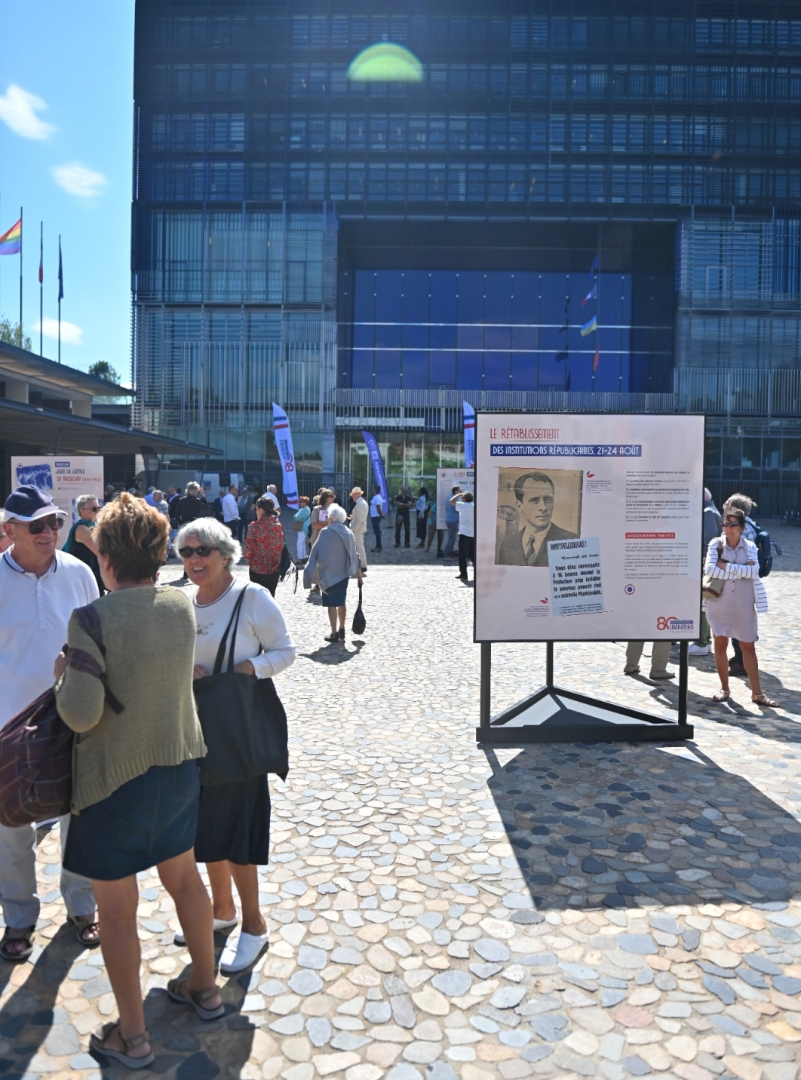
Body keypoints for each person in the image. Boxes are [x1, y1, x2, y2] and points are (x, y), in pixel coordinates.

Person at [55, 493, 221, 1067]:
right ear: (157, 551)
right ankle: (206, 986)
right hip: (176, 767)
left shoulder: (91, 619)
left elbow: (79, 714)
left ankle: (133, 1035)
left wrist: (64, 675)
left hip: (112, 782)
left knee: (118, 912)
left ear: (105, 557)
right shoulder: (180, 604)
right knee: (186, 882)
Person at [177, 517, 295, 974]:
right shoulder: (183, 602)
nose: (193, 560)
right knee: (207, 828)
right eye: (186, 552)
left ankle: (254, 924)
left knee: (240, 833)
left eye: (202, 550)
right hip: (197, 731)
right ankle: (222, 910)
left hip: (239, 731)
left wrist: (249, 669)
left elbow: (285, 651)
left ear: (225, 554)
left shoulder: (252, 597)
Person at [0, 486, 100, 961]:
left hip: (71, 719)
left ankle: (82, 908)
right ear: (9, 530)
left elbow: (99, 641)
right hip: (7, 727)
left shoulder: (80, 573)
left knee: (78, 821)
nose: (50, 532)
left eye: (55, 522)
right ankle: (18, 918)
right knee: (9, 830)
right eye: (36, 525)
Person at [705, 507, 775, 706]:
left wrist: (725, 566)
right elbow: (709, 569)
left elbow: (754, 571)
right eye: (726, 524)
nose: (728, 528)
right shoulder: (715, 544)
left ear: (742, 527)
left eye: (733, 524)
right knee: (720, 644)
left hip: (744, 604)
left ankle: (757, 693)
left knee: (748, 646)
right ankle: (724, 689)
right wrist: (741, 570)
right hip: (719, 602)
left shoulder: (750, 546)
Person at [303, 505, 363, 642]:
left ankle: (334, 632)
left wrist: (308, 572)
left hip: (328, 574)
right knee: (341, 602)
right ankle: (342, 629)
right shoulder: (348, 533)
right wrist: (359, 577)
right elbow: (355, 556)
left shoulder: (325, 532)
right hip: (343, 574)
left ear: (330, 518)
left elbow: (315, 552)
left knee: (331, 604)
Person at [497, 471, 579, 566]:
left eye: (548, 499)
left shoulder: (573, 542)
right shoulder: (507, 546)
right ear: (519, 506)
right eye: (534, 500)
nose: (543, 507)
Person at [722, 493, 758, 676]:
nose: (723, 506)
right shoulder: (749, 525)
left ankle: (740, 660)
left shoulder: (742, 530)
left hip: (739, 583)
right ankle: (741, 658)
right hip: (741, 582)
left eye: (727, 504)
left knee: (738, 622)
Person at [689, 488, 722, 657]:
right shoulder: (710, 510)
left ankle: (701, 641)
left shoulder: (707, 513)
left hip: (704, 566)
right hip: (706, 565)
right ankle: (704, 640)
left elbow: (707, 543)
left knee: (702, 603)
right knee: (704, 602)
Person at [63, 493, 105, 595]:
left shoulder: (93, 526)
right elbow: (100, 551)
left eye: (99, 508)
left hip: (91, 575)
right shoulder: (81, 528)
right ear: (82, 511)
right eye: (94, 509)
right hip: (83, 578)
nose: (98, 511)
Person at [243, 496, 285, 597]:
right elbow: (280, 545)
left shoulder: (254, 526)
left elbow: (248, 548)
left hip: (257, 569)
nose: (256, 512)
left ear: (261, 509)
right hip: (274, 569)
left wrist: (250, 561)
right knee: (270, 598)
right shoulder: (277, 525)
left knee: (257, 599)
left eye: (257, 509)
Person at [449, 490, 475, 583]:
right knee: (473, 555)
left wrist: (458, 494)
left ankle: (464, 574)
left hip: (464, 533)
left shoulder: (463, 506)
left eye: (462, 497)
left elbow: (451, 501)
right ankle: (478, 574)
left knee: (462, 555)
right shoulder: (474, 506)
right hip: (473, 534)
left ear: (464, 498)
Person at [349, 486, 369, 573]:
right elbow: (359, 517)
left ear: (357, 494)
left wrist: (354, 529)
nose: (352, 496)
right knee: (359, 546)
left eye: (353, 495)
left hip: (358, 529)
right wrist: (353, 518)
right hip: (360, 527)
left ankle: (363, 565)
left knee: (359, 547)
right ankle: (362, 565)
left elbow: (360, 519)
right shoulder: (362, 503)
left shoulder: (360, 504)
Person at [443, 486, 461, 557]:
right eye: (459, 491)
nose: (460, 492)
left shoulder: (448, 498)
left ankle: (450, 553)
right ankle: (447, 554)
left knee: (451, 538)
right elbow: (457, 510)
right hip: (454, 520)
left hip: (448, 519)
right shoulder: (456, 499)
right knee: (451, 539)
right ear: (456, 491)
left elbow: (446, 509)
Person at [293, 496, 312, 561]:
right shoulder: (303, 509)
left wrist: (296, 517)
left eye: (301, 502)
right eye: (299, 501)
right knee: (302, 543)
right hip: (302, 527)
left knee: (300, 543)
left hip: (303, 527)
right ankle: (303, 557)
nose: (299, 503)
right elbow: (296, 516)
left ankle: (300, 558)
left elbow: (296, 517)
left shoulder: (305, 510)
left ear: (305, 502)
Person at [369, 484, 385, 551]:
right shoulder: (375, 497)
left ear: (375, 490)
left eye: (373, 489)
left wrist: (382, 515)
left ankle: (379, 546)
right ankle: (378, 545)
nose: (372, 490)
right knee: (376, 531)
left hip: (376, 516)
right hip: (374, 516)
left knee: (377, 532)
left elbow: (379, 508)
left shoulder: (377, 497)